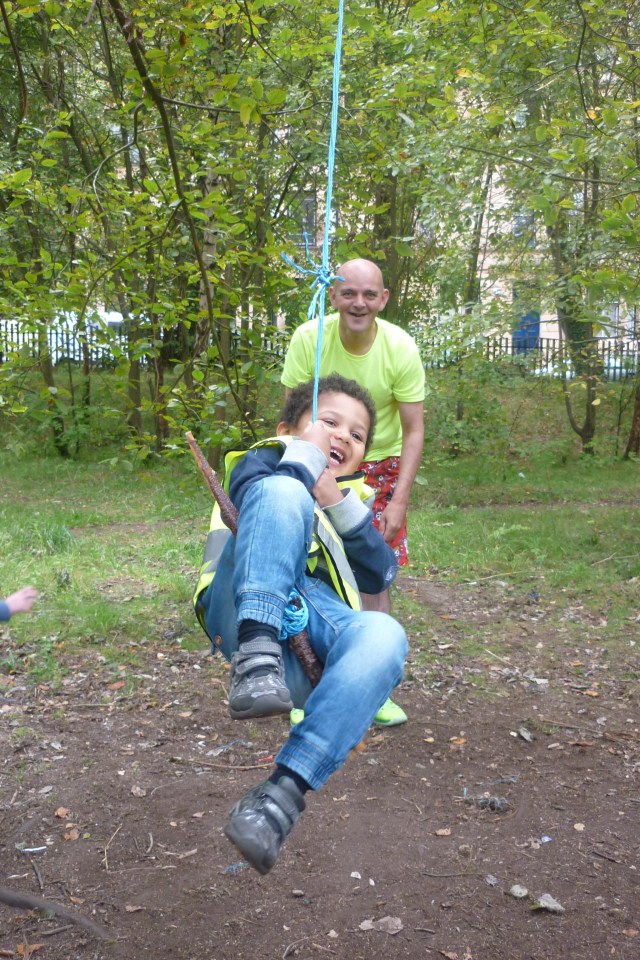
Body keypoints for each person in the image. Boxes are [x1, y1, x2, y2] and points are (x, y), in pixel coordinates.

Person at [193, 375, 408, 874]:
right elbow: (257, 494)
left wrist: (336, 500)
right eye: (329, 422)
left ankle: (279, 801)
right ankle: (256, 655)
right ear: (288, 427)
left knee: (385, 635)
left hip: (306, 647)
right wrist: (303, 459)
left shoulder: (354, 498)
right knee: (284, 493)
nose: (342, 437)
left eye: (356, 436)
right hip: (241, 613)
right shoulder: (263, 460)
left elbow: (381, 571)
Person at [281, 257, 425, 726]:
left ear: (383, 299)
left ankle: (374, 686)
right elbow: (291, 413)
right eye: (349, 293)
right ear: (334, 295)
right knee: (305, 563)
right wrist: (290, 473)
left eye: (369, 294)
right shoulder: (309, 338)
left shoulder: (400, 348)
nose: (358, 303)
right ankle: (304, 686)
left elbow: (414, 429)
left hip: (379, 464)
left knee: (373, 568)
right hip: (315, 451)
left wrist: (399, 499)